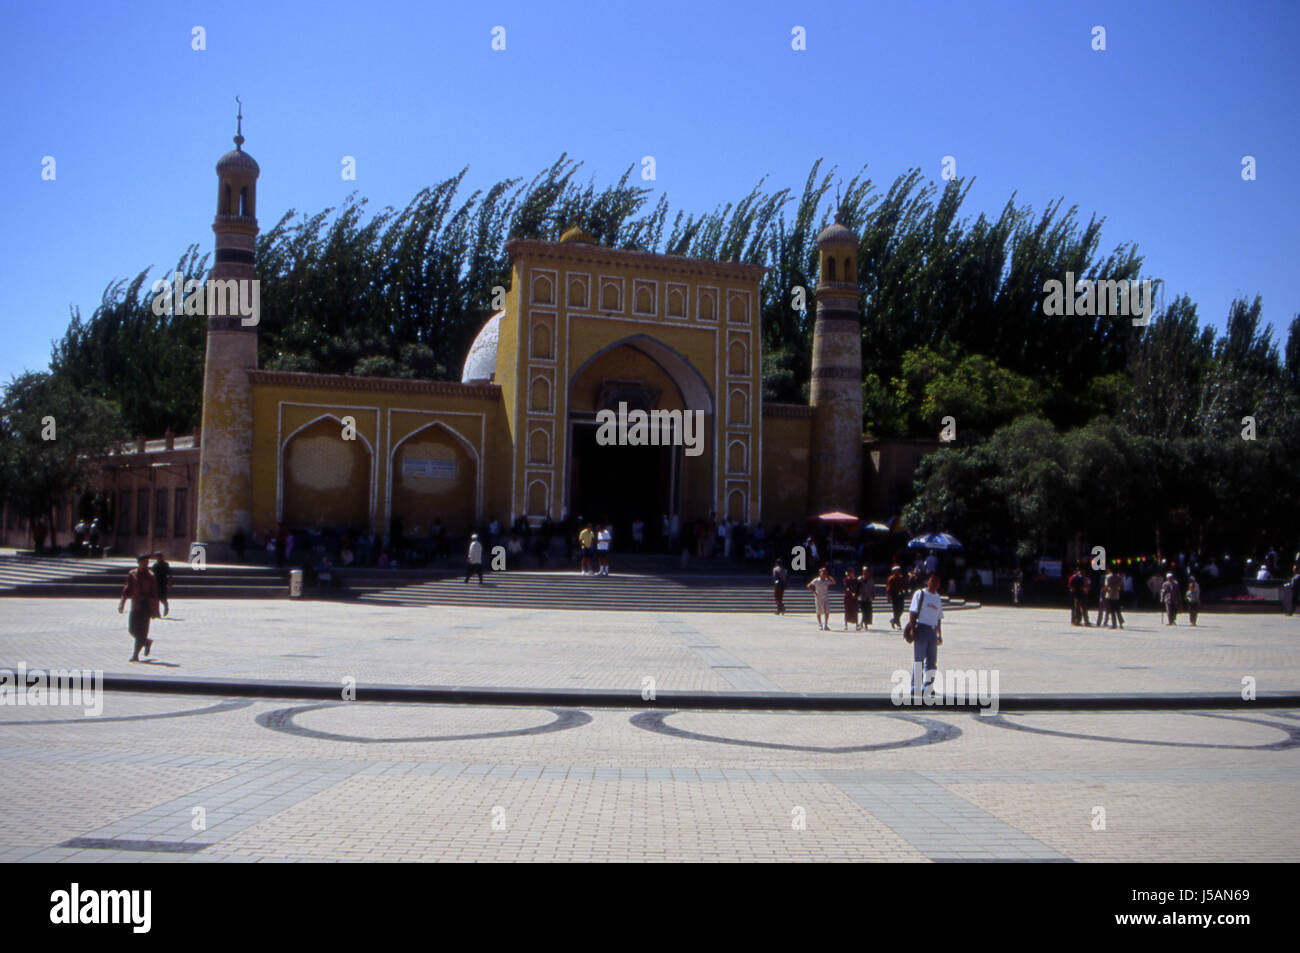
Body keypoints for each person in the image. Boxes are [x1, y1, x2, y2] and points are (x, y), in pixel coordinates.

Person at [907, 573, 945, 697]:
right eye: (932, 580)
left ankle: (928, 686)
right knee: (919, 660)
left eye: (937, 581)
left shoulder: (938, 598)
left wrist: (939, 634)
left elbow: (938, 617)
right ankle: (915, 687)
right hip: (921, 629)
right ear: (927, 581)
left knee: (932, 661)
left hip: (932, 631)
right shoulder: (920, 594)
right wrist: (913, 629)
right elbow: (912, 612)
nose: (934, 583)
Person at [118, 554, 160, 662]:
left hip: (146, 606)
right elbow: (127, 590)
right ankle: (146, 642)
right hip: (135, 605)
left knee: (142, 631)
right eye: (143, 562)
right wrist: (122, 603)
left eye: (147, 562)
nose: (145, 564)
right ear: (138, 562)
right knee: (132, 630)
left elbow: (155, 594)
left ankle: (135, 655)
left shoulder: (151, 576)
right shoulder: (132, 574)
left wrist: (155, 610)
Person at [806, 565, 835, 631]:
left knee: (827, 611)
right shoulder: (816, 580)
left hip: (825, 597)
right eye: (823, 573)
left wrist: (828, 576)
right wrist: (814, 592)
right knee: (818, 611)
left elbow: (833, 582)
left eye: (825, 573)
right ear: (820, 573)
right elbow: (808, 586)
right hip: (818, 597)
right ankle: (820, 624)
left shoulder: (827, 580)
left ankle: (826, 625)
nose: (824, 574)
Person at [886, 565, 907, 629]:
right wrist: (888, 597)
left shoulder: (901, 577)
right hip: (894, 595)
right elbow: (888, 589)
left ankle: (893, 620)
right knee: (896, 610)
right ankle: (898, 624)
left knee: (901, 609)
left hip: (901, 594)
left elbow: (904, 586)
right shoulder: (891, 579)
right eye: (896, 571)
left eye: (899, 571)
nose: (898, 572)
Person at [151, 552, 172, 617]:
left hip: (163, 583)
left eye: (160, 556)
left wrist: (169, 583)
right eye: (157, 556)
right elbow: (152, 574)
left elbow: (170, 574)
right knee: (156, 599)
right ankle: (157, 613)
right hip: (156, 583)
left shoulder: (165, 565)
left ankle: (166, 606)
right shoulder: (155, 565)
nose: (158, 558)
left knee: (162, 598)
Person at [842, 567, 860, 632]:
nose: (852, 573)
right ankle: (846, 625)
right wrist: (851, 593)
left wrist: (857, 594)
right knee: (847, 611)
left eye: (852, 572)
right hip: (848, 598)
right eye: (850, 572)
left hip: (854, 598)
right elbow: (846, 587)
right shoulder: (846, 580)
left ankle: (857, 624)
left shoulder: (856, 580)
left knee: (855, 611)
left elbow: (858, 588)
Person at [859, 565, 874, 631]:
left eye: (867, 572)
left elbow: (872, 589)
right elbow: (857, 588)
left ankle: (863, 623)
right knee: (864, 611)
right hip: (861, 598)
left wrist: (872, 596)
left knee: (867, 611)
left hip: (868, 598)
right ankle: (865, 624)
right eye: (864, 572)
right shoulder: (859, 579)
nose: (866, 573)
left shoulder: (871, 580)